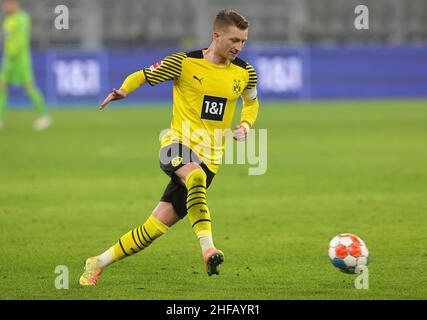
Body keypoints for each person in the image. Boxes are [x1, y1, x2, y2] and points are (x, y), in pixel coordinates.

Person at [79, 9, 259, 286]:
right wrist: (125, 90)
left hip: (210, 160)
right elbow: (143, 74)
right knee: (195, 176)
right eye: (234, 39)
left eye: (243, 41)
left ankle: (98, 261)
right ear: (217, 35)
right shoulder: (184, 63)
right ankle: (209, 249)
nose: (239, 46)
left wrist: (246, 125)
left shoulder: (245, 72)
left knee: (154, 227)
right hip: (175, 144)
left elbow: (251, 102)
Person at [0, 0, 51, 131]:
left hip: (20, 60)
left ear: (15, 4)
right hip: (8, 59)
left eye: (8, 3)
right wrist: (7, 57)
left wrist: (12, 55)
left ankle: (44, 116)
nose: (5, 6)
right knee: (2, 86)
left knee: (29, 87)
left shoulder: (22, 18)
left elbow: (21, 41)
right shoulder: (8, 20)